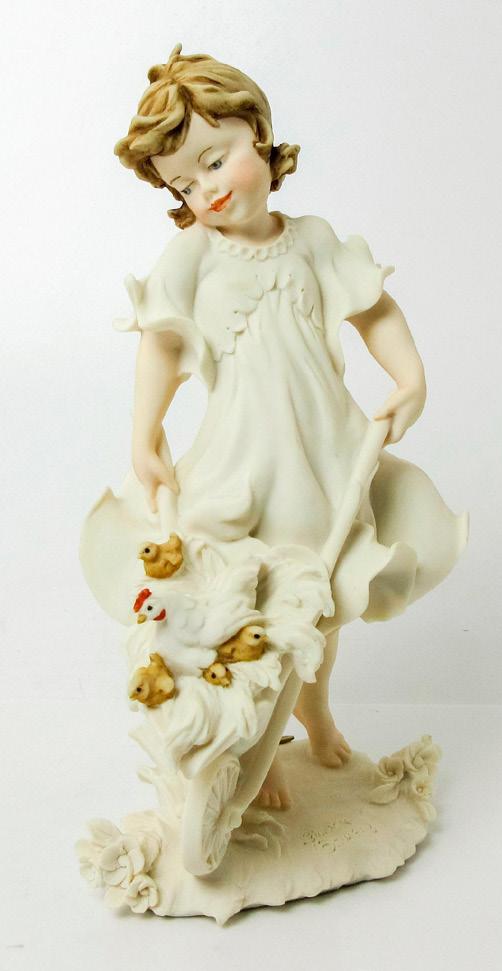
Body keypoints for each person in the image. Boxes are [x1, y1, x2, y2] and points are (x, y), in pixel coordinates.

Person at [81, 44, 466, 808]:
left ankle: (312, 709)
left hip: (324, 459)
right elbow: (161, 347)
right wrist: (144, 434)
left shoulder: (312, 239)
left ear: (256, 133)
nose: (207, 190)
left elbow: (374, 310)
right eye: (184, 184)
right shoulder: (193, 256)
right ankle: (253, 748)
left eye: (214, 160)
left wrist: (410, 376)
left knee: (319, 609)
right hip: (243, 467)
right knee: (247, 608)